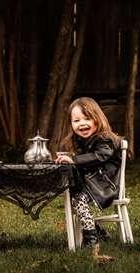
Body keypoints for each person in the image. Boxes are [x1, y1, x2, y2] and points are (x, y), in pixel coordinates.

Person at [55, 97, 121, 247]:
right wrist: (70, 159)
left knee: (77, 199)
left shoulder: (104, 140)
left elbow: (100, 156)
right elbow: (85, 162)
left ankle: (91, 239)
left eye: (87, 119)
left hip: (105, 186)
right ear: (71, 124)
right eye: (76, 121)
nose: (82, 124)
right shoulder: (81, 142)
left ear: (97, 119)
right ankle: (98, 231)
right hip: (92, 184)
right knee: (72, 195)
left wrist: (74, 160)